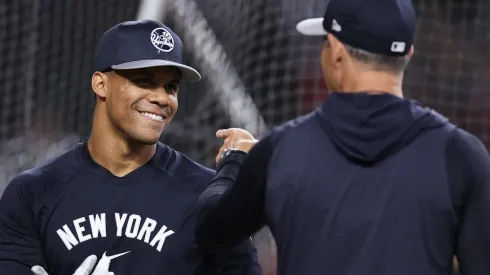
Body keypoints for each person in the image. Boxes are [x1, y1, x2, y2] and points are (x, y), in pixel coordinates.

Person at [194, 0, 490, 275]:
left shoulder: (281, 153)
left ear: (336, 50)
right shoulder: (461, 155)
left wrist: (236, 162)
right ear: (408, 55)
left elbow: (210, 232)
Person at [0, 19, 262, 275]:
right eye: (144, 81)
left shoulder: (207, 199)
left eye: (171, 87)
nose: (162, 98)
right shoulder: (32, 194)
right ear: (100, 84)